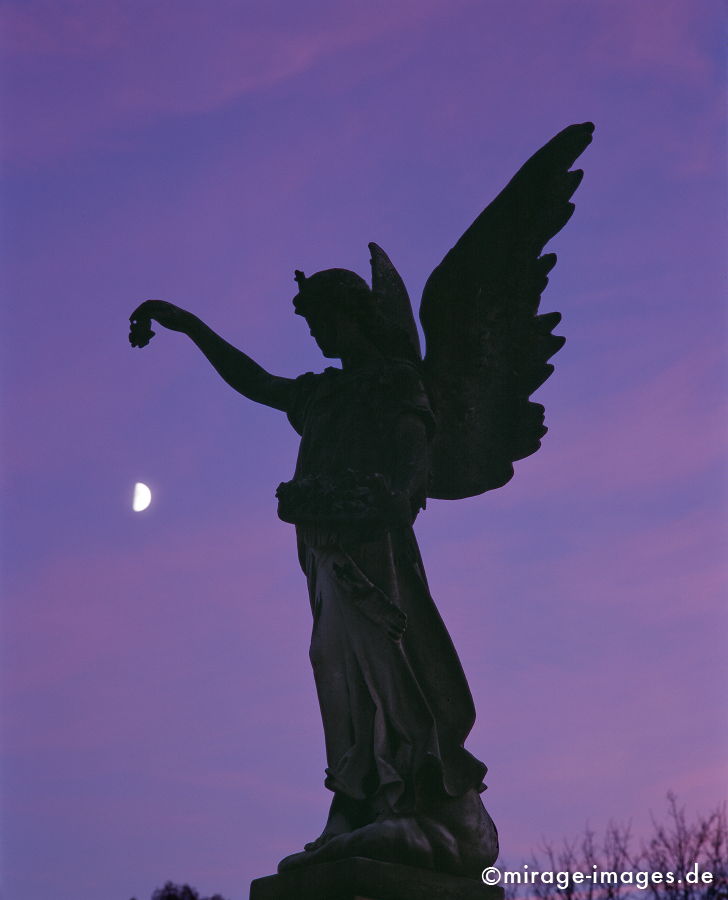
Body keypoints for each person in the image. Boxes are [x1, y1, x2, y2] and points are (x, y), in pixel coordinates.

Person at [129, 268, 498, 878]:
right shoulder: (321, 393)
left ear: (351, 313)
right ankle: (356, 799)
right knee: (334, 666)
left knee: (389, 664)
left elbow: (414, 459)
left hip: (375, 552)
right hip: (324, 554)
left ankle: (413, 790)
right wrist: (188, 325)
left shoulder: (395, 382)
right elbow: (255, 381)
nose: (314, 332)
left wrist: (389, 500)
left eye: (319, 319)